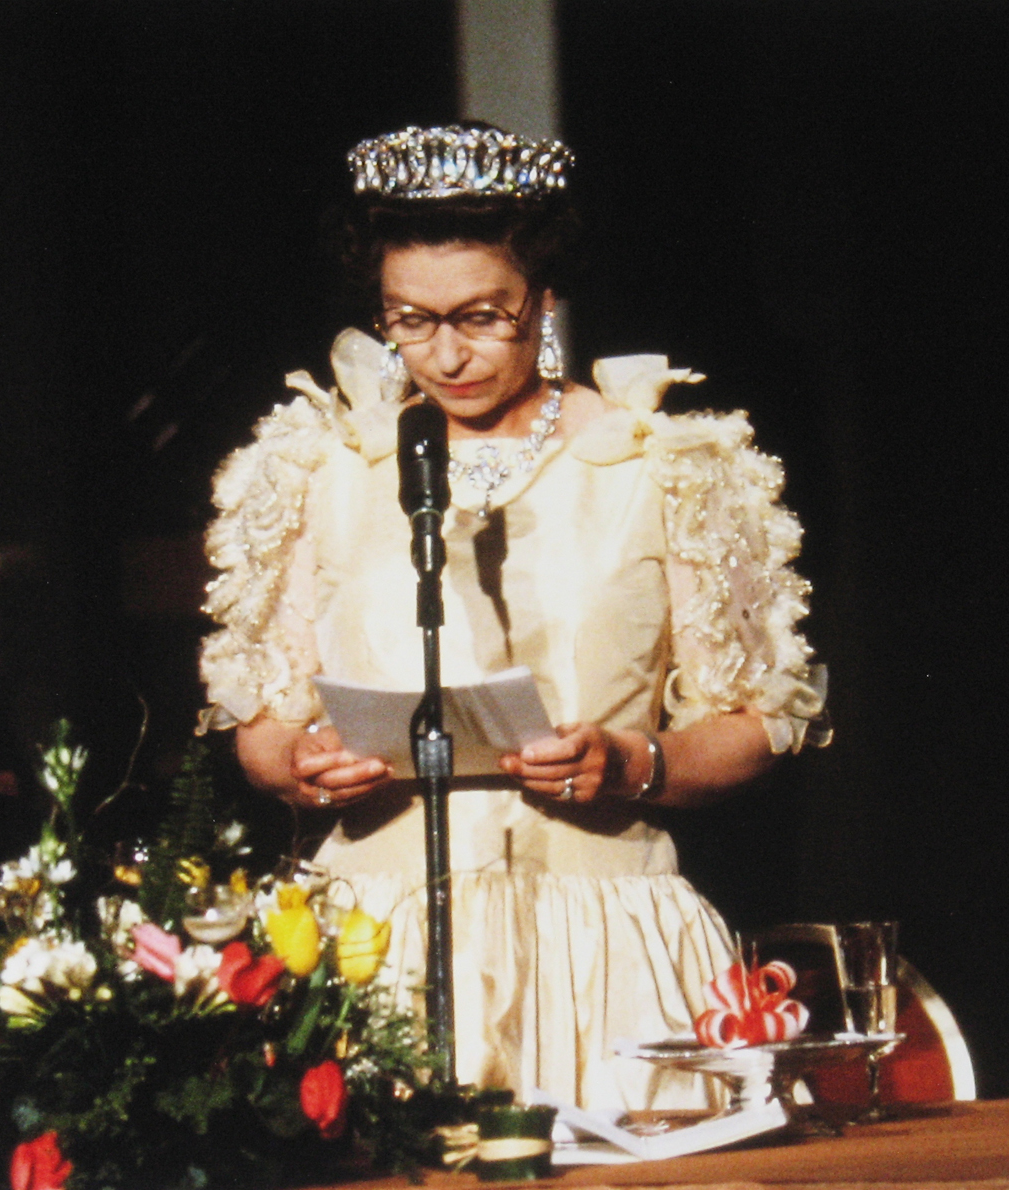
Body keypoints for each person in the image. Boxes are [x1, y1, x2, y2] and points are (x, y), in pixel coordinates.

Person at [198, 124, 828, 1109]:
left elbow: (755, 722)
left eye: (484, 316)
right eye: (410, 318)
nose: (446, 352)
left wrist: (634, 762)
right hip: (379, 938)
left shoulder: (667, 464)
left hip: (606, 938)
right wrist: (299, 763)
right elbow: (261, 724)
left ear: (544, 299)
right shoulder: (318, 468)